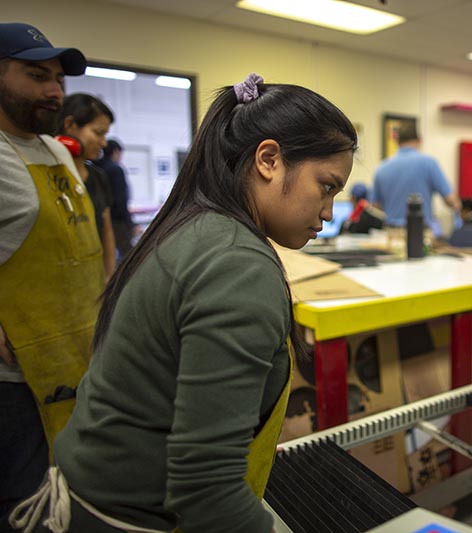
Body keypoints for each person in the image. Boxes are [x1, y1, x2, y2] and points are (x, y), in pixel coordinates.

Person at [10, 73, 357, 533]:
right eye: (327, 186)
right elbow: (206, 490)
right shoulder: (237, 265)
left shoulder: (197, 227)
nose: (329, 211)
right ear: (269, 159)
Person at [0, 23, 104, 532]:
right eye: (36, 75)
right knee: (25, 509)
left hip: (75, 363)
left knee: (69, 500)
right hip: (14, 386)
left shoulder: (58, 151)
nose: (54, 91)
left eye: (58, 78)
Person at [57, 93, 117, 278]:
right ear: (70, 125)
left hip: (93, 277)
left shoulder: (98, 177)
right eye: (98, 133)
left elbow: (106, 231)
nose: (103, 142)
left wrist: (109, 277)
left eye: (105, 135)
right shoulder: (48, 172)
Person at [372, 123, 460, 228]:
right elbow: (450, 200)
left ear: (397, 141)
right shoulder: (429, 163)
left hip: (392, 233)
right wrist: (458, 206)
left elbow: (376, 206)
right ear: (419, 140)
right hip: (420, 231)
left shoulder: (382, 168)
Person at [95, 138, 135, 260]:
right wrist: (130, 223)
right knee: (129, 257)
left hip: (99, 220)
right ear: (116, 151)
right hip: (118, 221)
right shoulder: (115, 170)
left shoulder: (95, 168)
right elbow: (120, 200)